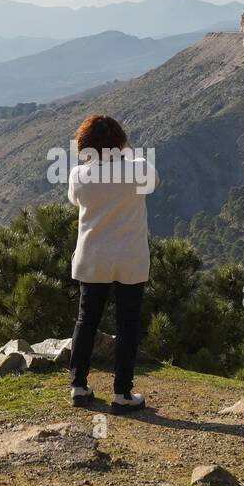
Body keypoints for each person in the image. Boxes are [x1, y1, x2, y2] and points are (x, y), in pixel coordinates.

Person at [65, 114, 159, 413]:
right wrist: (125, 151)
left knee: (86, 320)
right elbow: (153, 183)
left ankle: (78, 386)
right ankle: (122, 394)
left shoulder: (79, 175)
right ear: (120, 141)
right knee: (127, 325)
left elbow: (75, 202)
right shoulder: (139, 170)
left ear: (85, 145)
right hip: (130, 257)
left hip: (93, 256)